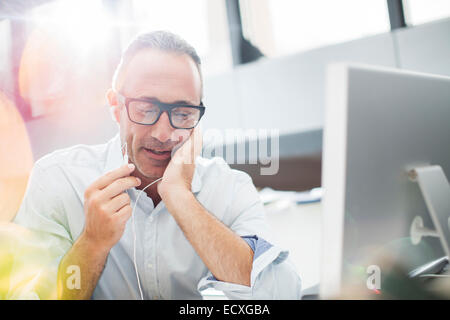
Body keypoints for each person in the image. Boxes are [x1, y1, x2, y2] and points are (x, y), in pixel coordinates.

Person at [13, 31, 302, 300]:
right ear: (115, 106)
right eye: (146, 109)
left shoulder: (230, 188)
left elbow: (281, 293)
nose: (163, 134)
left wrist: (181, 199)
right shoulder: (58, 180)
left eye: (182, 112)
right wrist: (91, 244)